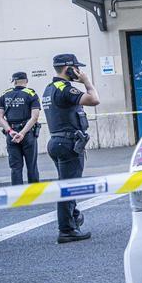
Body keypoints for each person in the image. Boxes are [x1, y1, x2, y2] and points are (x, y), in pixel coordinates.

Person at [42, 53, 99, 243]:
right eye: (77, 68)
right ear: (69, 69)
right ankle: (66, 230)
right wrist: (87, 81)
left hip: (57, 142)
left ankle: (73, 217)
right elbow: (94, 99)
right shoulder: (65, 88)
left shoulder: (49, 88)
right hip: (68, 144)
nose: (80, 71)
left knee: (67, 185)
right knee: (69, 188)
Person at [0, 71, 41, 185]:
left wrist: (10, 131)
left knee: (15, 167)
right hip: (28, 134)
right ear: (26, 81)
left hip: (11, 134)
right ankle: (34, 193)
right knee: (32, 165)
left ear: (14, 81)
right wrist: (22, 133)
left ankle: (17, 195)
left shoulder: (4, 94)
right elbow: (34, 117)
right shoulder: (31, 94)